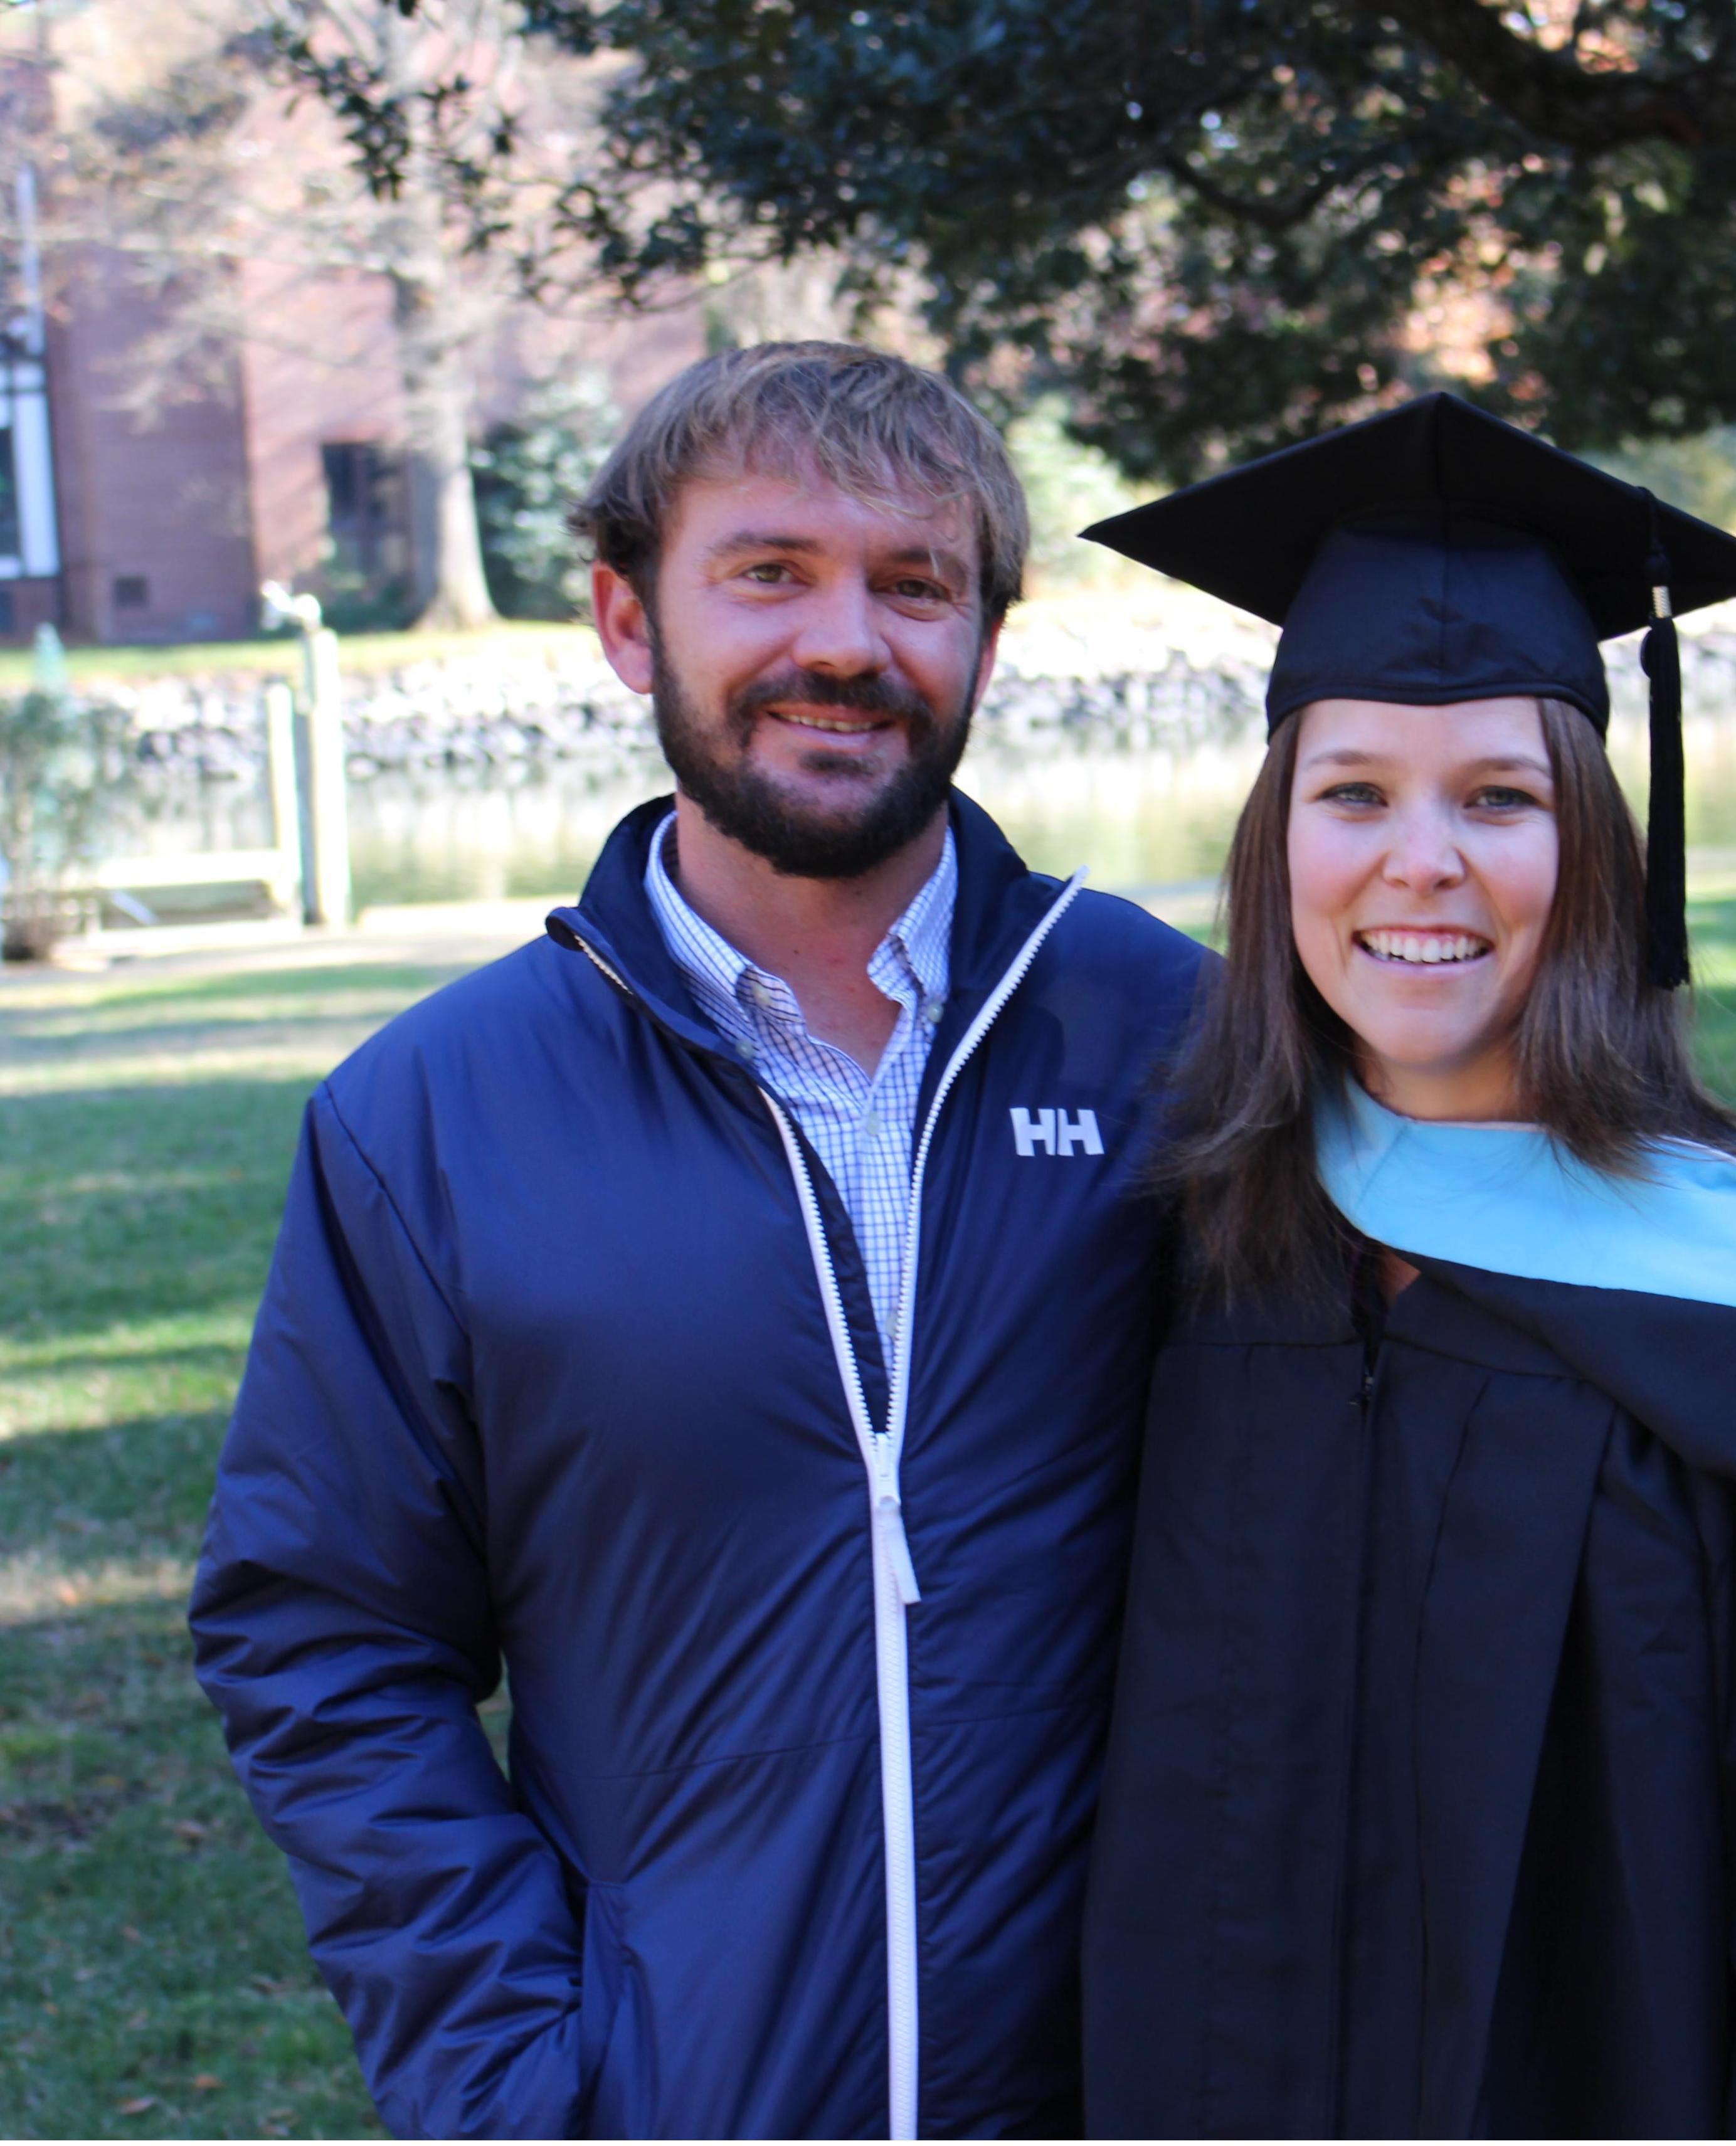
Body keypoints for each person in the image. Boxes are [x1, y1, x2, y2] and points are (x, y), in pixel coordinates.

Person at [189, 342, 1204, 2139]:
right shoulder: (432, 1114)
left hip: (1137, 2085)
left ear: (985, 635)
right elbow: (326, 1633)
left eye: (915, 584)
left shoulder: (1170, 1039)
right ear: (627, 621)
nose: (847, 643)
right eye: (767, 573)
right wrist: (515, 2081)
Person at [1077, 394, 1736, 2138]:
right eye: (1355, 792)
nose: (1421, 860)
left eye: (1497, 798)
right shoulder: (1197, 1265)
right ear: (1276, 844)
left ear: (1596, 853)